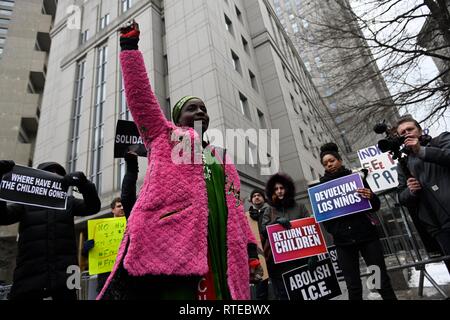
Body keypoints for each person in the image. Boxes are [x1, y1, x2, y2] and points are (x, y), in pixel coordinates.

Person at [97, 21, 260, 300]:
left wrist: (251, 252)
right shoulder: (165, 137)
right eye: (191, 108)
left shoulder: (220, 155)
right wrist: (129, 47)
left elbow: (235, 209)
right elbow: (141, 99)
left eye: (204, 109)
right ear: (176, 117)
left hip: (223, 247)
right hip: (179, 248)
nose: (200, 112)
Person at [0, 161, 101, 300]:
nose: (53, 176)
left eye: (58, 175)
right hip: (29, 276)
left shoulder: (69, 202)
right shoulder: (25, 202)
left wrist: (84, 184)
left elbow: (93, 207)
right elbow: (2, 217)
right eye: (48, 174)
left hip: (67, 276)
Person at [319, 143, 397, 300]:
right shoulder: (322, 187)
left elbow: (375, 206)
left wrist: (371, 196)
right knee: (353, 286)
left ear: (340, 160)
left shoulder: (357, 178)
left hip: (367, 238)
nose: (329, 164)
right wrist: (336, 231)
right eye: (325, 163)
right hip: (344, 244)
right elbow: (325, 219)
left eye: (332, 160)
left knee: (380, 280)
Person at [396, 117, 450, 273]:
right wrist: (410, 191)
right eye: (402, 133)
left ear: (419, 130)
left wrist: (421, 151)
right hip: (437, 225)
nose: (406, 133)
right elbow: (400, 196)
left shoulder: (440, 140)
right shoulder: (403, 165)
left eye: (410, 129)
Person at [261, 173, 310, 300]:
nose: (279, 191)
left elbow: (310, 230)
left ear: (287, 189)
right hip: (279, 265)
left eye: (281, 188)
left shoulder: (300, 207)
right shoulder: (269, 210)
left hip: (300, 260)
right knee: (284, 296)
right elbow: (263, 231)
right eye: (276, 189)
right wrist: (275, 222)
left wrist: (313, 256)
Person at [82, 197, 126, 294]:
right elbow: (85, 254)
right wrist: (86, 248)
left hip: (125, 276)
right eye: (119, 206)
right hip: (106, 277)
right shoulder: (101, 229)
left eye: (123, 205)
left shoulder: (132, 226)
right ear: (112, 210)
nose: (122, 208)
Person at [246, 189, 270, 300]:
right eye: (254, 195)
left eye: (259, 195)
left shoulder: (271, 212)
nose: (256, 197)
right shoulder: (247, 216)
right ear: (251, 200)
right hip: (258, 258)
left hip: (271, 254)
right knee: (261, 292)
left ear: (264, 198)